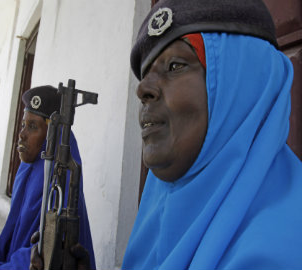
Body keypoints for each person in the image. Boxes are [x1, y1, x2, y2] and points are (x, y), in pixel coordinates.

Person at [122, 0, 302, 269]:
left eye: (175, 66)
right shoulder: (156, 210)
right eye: (146, 74)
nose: (143, 89)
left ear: (242, 85)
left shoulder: (281, 250)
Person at [0, 86, 95, 270]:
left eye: (32, 127)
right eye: (23, 125)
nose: (21, 134)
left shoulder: (59, 183)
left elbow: (39, 259)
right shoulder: (28, 173)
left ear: (52, 139)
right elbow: (13, 244)